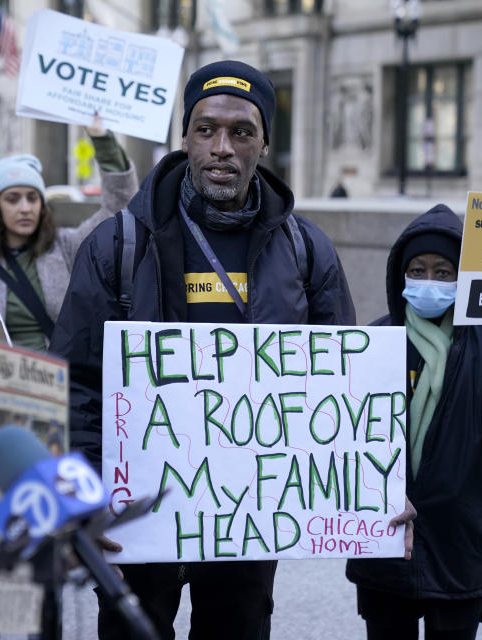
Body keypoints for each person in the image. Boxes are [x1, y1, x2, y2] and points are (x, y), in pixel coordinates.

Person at [50, 60, 362, 640]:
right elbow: (75, 386)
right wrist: (87, 502)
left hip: (249, 514)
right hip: (137, 511)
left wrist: (373, 492)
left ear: (264, 142)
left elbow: (345, 391)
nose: (222, 147)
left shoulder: (306, 250)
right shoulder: (117, 243)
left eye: (241, 131)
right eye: (206, 129)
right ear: (185, 138)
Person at [345, 204, 482, 640]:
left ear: (465, 278)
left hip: (459, 543)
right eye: (417, 270)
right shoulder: (375, 340)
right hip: (387, 537)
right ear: (400, 275)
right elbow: (346, 440)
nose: (429, 282)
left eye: (443, 272)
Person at [0, 115, 139, 350]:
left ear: (42, 206)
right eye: (13, 199)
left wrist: (102, 140)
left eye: (32, 198)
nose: (25, 208)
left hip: (60, 379)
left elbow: (120, 203)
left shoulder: (67, 247)